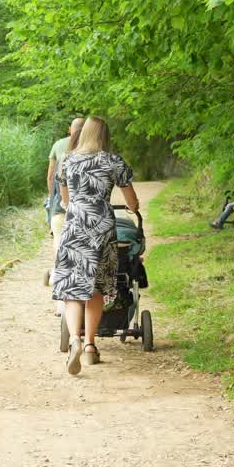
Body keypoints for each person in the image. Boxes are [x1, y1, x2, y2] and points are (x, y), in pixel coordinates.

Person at [50, 116, 139, 375]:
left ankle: (74, 340)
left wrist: (77, 204)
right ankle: (90, 346)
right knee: (96, 287)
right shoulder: (114, 161)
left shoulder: (69, 161)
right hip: (102, 226)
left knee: (72, 289)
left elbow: (65, 200)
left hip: (76, 225)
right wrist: (133, 208)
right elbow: (131, 201)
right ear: (105, 136)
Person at [45, 118, 85, 316]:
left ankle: (62, 302)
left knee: (60, 246)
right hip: (86, 209)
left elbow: (51, 176)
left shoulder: (59, 146)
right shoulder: (93, 149)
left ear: (70, 130)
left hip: (61, 206)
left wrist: (52, 200)